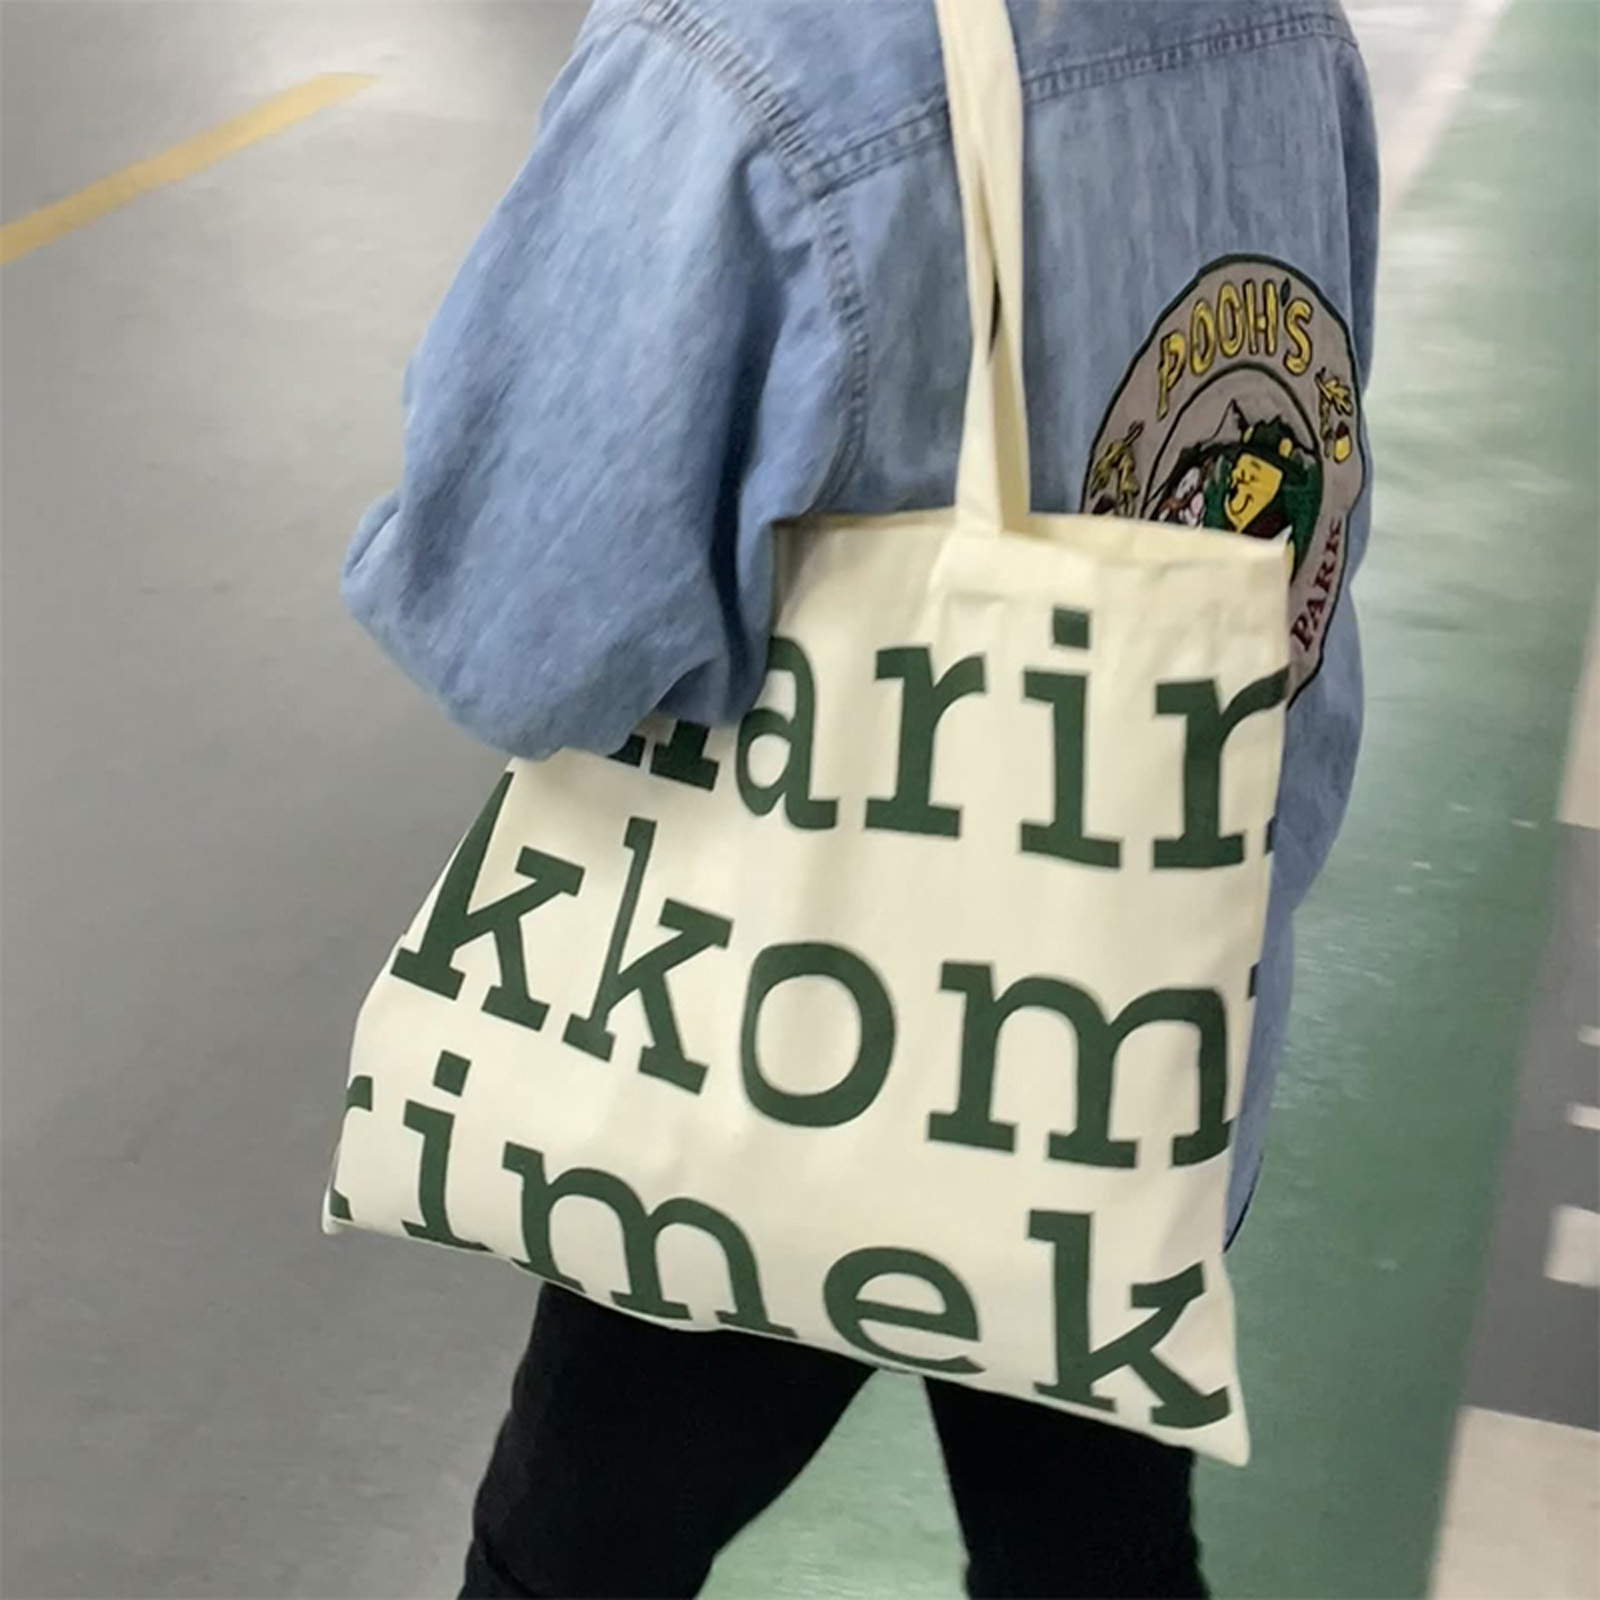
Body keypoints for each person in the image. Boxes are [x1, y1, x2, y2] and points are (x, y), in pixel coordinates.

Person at [341, 1, 1378, 1593]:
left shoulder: (749, 54)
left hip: (789, 1034)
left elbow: (520, 636)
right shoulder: (1289, 26)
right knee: (1090, 1551)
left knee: (571, 1558)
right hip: (1135, 1018)